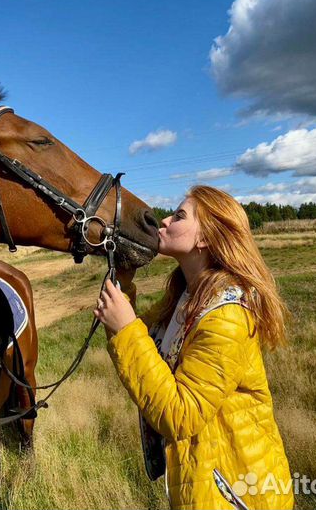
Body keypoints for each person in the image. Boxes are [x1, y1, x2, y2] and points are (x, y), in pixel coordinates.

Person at [94, 185, 294, 510]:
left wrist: (125, 327)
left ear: (204, 239)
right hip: (207, 480)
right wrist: (124, 288)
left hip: (237, 493)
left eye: (179, 215)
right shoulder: (186, 296)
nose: (164, 219)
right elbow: (143, 347)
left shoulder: (227, 314)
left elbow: (179, 414)